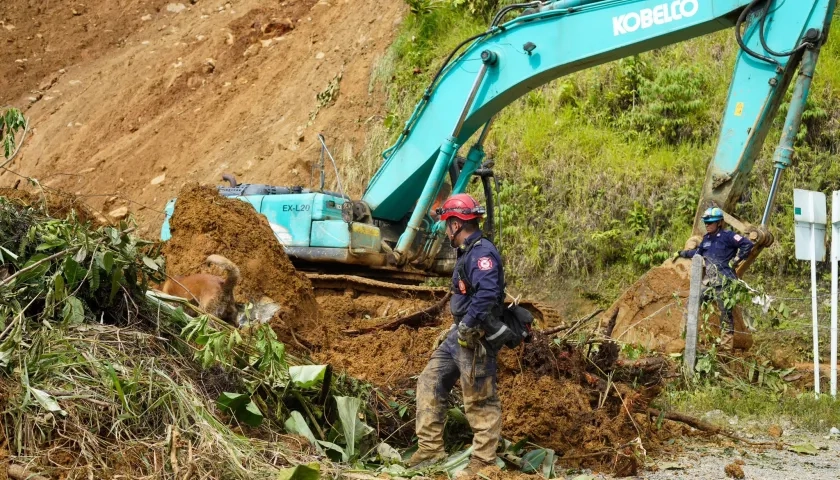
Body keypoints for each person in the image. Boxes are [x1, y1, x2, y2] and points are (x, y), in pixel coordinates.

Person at [407, 193, 504, 477]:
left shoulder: (482, 253)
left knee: (479, 399)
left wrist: (469, 324)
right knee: (430, 380)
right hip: (460, 334)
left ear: (456, 224)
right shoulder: (468, 250)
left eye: (448, 222)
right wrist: (456, 326)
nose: (446, 228)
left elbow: (488, 293)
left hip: (476, 337)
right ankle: (430, 449)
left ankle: (483, 463)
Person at [673, 206, 754, 350]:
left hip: (725, 281)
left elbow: (747, 244)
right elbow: (697, 254)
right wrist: (682, 253)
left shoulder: (728, 236)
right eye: (706, 222)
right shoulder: (706, 239)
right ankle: (685, 337)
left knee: (725, 313)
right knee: (693, 300)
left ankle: (726, 346)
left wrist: (737, 259)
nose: (707, 225)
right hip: (710, 281)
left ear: (719, 223)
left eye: (710, 222)